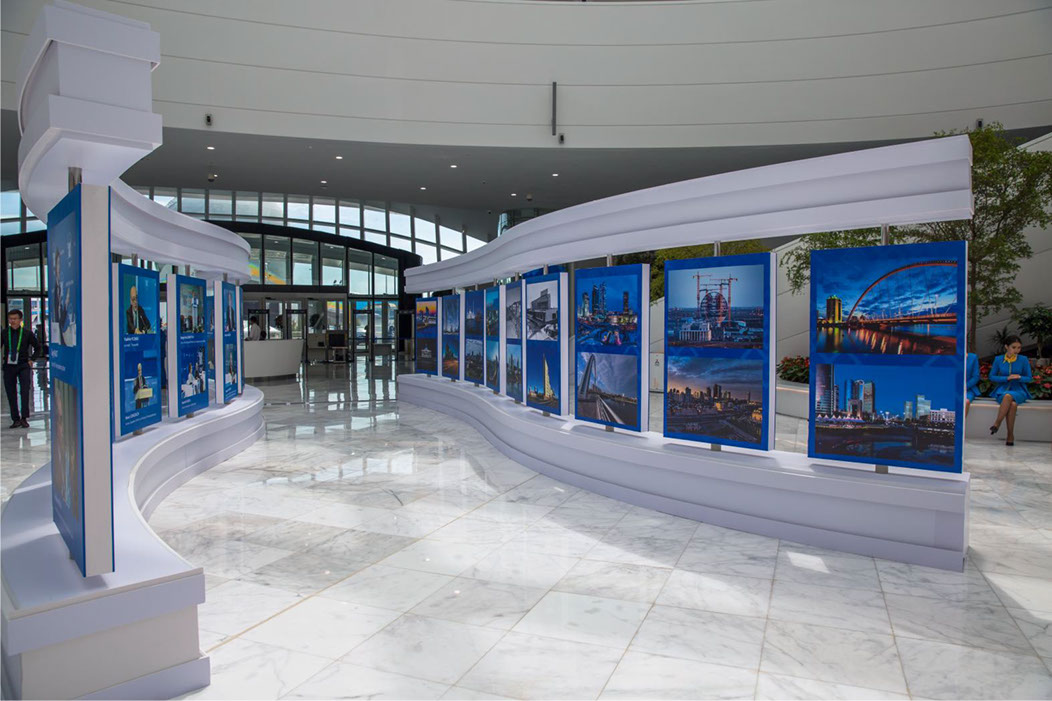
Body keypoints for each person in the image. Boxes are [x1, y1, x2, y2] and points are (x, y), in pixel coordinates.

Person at [989, 335, 1031, 446]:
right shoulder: (998, 359)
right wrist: (1006, 378)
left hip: (1019, 391)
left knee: (1008, 396)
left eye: (1019, 348)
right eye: (1014, 347)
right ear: (1006, 347)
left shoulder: (1023, 359)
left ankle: (997, 423)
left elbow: (1029, 378)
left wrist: (1019, 377)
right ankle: (1010, 435)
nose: (1016, 350)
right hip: (1002, 390)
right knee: (1012, 404)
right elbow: (992, 377)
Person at [2, 309, 41, 428]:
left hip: (23, 365)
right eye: (10, 319)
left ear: (20, 320)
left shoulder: (27, 333)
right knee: (10, 392)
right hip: (9, 366)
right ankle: (15, 419)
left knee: (24, 391)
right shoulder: (4, 333)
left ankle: (24, 418)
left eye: (15, 319)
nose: (12, 321)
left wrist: (32, 359)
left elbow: (38, 347)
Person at [965, 351, 980, 417]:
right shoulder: (949, 356)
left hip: (968, 389)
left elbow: (976, 377)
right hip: (951, 389)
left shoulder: (972, 357)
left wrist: (964, 387)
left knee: (965, 402)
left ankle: (960, 423)